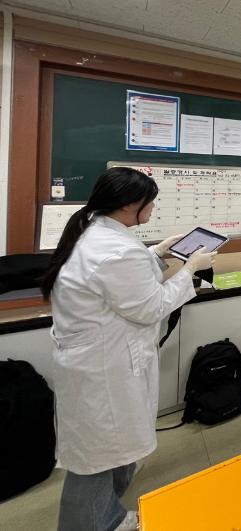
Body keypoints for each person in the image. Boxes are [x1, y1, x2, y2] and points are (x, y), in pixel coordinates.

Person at [43, 167, 217, 531]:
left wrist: (158, 252)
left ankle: (109, 514)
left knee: (106, 451)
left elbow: (120, 283)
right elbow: (151, 306)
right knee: (98, 459)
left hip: (94, 361)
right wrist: (190, 270)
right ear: (127, 205)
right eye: (149, 202)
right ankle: (97, 524)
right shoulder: (117, 250)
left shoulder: (94, 232)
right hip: (104, 369)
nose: (153, 208)